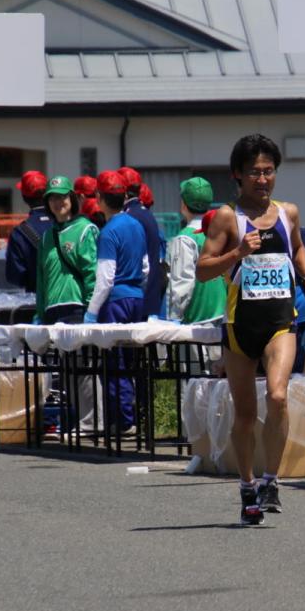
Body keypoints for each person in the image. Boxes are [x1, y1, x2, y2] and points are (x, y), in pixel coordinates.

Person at [197, 134, 305, 524]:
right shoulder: (225, 217)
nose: (263, 179)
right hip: (239, 329)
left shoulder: (288, 214)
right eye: (255, 172)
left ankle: (271, 479)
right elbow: (203, 270)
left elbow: (298, 248)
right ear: (238, 174)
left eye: (269, 172)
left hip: (279, 323)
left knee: (279, 395)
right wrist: (238, 253)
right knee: (246, 416)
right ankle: (247, 486)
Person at [35, 175, 102, 432]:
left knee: (84, 367)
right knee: (67, 371)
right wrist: (40, 312)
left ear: (72, 199)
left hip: (77, 307)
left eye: (63, 196)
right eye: (52, 197)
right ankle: (78, 421)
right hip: (53, 309)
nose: (57, 202)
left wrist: (90, 309)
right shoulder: (46, 236)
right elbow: (41, 278)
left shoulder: (86, 229)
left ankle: (91, 422)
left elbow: (91, 273)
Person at [86, 170, 147, 433]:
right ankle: (141, 415)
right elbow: (146, 268)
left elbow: (105, 280)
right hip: (138, 299)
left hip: (115, 304)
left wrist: (91, 312)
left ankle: (123, 420)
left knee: (115, 363)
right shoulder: (137, 225)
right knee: (138, 362)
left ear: (99, 198)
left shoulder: (108, 232)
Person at [166, 178, 226, 324]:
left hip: (197, 321)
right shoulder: (220, 232)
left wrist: (174, 316)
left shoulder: (185, 238)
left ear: (184, 204)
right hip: (223, 315)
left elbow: (182, 282)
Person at [118, 166, 168, 319]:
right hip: (150, 298)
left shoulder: (129, 217)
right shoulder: (147, 214)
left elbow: (141, 263)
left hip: (135, 298)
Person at [5, 170, 52, 293]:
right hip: (70, 299)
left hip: (37, 300)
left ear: (24, 197)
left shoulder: (19, 233)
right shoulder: (65, 225)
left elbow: (15, 276)